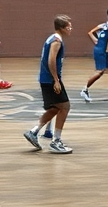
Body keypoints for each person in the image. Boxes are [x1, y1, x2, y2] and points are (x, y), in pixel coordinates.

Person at [23, 15, 74, 154]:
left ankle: (33, 132)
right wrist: (56, 80)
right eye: (69, 26)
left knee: (55, 108)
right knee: (65, 107)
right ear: (62, 28)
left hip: (46, 79)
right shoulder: (56, 41)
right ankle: (56, 141)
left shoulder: (53, 38)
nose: (71, 28)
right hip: (50, 80)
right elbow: (51, 61)